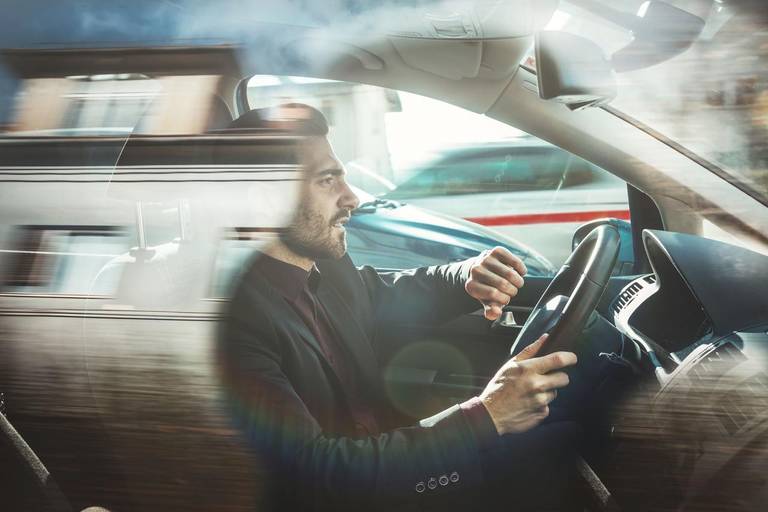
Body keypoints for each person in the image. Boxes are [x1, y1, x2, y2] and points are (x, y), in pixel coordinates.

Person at [217, 104, 580, 512]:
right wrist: (486, 415)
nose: (351, 197)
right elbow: (317, 473)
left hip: (397, 470)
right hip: (361, 493)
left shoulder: (327, 268)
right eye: (327, 180)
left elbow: (384, 293)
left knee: (572, 439)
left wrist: (465, 276)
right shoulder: (234, 322)